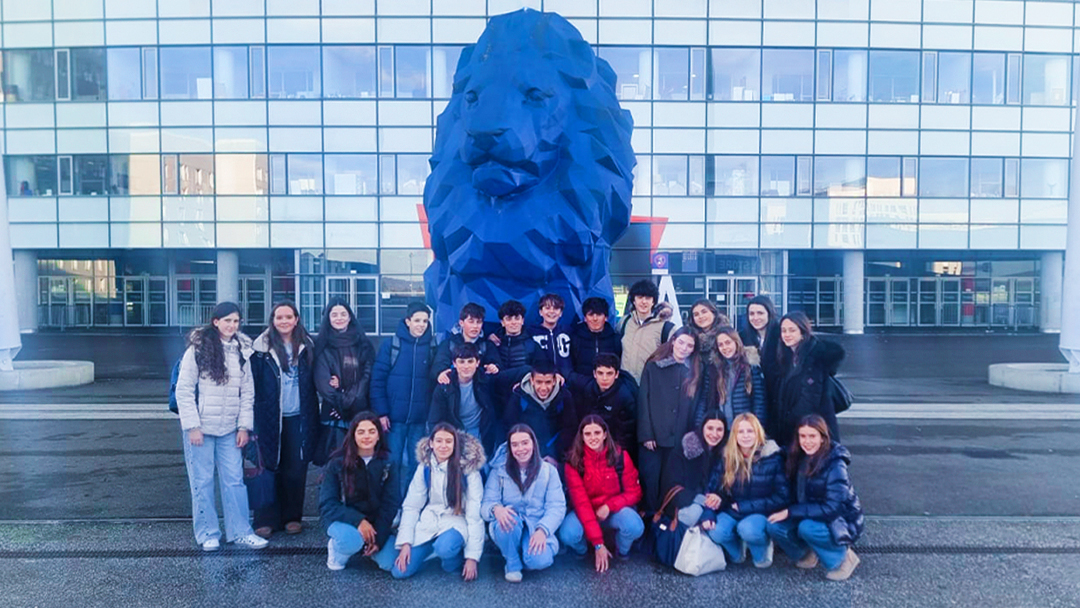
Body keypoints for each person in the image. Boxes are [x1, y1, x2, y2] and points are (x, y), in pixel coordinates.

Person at [175, 301, 268, 551]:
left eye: (236, 321)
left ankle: (240, 531)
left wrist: (243, 427)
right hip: (201, 429)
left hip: (230, 428)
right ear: (215, 322)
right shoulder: (197, 349)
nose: (232, 325)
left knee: (234, 481)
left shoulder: (243, 351)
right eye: (227, 320)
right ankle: (207, 533)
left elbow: (247, 393)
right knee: (202, 482)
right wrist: (192, 425)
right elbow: (184, 389)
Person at [250, 301, 321, 538]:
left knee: (296, 468)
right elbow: (252, 385)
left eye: (288, 317)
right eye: (279, 317)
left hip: (299, 416)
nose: (284, 321)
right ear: (272, 320)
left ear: (296, 319)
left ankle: (292, 516)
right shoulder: (259, 349)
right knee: (268, 466)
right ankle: (265, 518)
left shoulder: (308, 347)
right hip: (269, 416)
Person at [766, 414, 864, 581]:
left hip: (838, 520)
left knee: (807, 527)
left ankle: (843, 558)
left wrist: (790, 512)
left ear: (823, 438)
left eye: (812, 436)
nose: (807, 441)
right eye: (803, 436)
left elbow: (833, 508)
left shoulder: (835, 464)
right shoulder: (798, 455)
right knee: (774, 526)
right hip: (808, 512)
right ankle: (809, 552)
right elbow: (778, 454)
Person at [391, 424, 486, 580]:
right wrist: (405, 543)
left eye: (448, 441)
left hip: (456, 522)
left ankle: (452, 560)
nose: (443, 446)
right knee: (399, 572)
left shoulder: (468, 470)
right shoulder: (425, 467)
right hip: (429, 521)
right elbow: (412, 506)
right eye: (439, 441)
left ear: (455, 444)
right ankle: (430, 550)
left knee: (445, 548)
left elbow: (474, 514)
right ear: (431, 443)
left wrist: (472, 557)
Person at [481, 424, 567, 582]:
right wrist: (496, 509)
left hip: (536, 523)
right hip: (509, 525)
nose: (520, 449)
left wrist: (543, 530)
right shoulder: (498, 471)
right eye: (514, 445)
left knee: (540, 560)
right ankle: (512, 563)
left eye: (525, 443)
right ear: (509, 448)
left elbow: (557, 506)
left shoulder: (549, 470)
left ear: (533, 444)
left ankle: (522, 551)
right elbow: (487, 502)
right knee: (507, 520)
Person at [558, 415, 644, 572]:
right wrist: (598, 543)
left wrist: (609, 506)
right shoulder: (574, 462)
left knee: (635, 525)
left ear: (605, 434)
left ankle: (621, 551)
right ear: (581, 437)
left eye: (597, 433)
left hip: (612, 512)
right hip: (586, 512)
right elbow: (581, 504)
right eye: (588, 434)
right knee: (568, 533)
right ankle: (584, 551)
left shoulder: (620, 457)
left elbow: (635, 493)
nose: (593, 438)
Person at [320, 412, 400, 571]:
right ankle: (338, 550)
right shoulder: (337, 463)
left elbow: (390, 504)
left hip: (375, 522)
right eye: (361, 432)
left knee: (390, 564)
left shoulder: (388, 463)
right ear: (353, 435)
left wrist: (379, 538)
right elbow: (327, 504)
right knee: (350, 541)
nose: (366, 436)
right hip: (343, 519)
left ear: (379, 435)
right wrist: (359, 521)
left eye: (372, 431)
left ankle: (369, 545)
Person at [707, 413, 789, 568]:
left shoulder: (772, 457)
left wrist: (746, 507)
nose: (745, 436)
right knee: (716, 531)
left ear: (757, 432)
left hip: (760, 512)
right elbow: (715, 488)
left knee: (748, 530)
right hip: (734, 509)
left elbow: (782, 497)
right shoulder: (727, 456)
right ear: (734, 435)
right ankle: (738, 553)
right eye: (740, 432)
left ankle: (762, 551)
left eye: (750, 431)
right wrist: (716, 500)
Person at [371, 302, 436, 496]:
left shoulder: (432, 347)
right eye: (417, 320)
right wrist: (381, 412)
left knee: (415, 465)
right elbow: (377, 380)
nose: (421, 324)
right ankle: (392, 507)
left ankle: (409, 506)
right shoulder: (392, 345)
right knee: (393, 463)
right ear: (408, 321)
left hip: (419, 419)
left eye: (425, 320)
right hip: (394, 420)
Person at [636, 326, 702, 513]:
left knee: (671, 480)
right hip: (653, 437)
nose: (684, 348)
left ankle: (665, 520)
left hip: (680, 436)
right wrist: (646, 434)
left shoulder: (695, 371)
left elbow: (696, 404)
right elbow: (643, 400)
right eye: (681, 342)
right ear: (673, 341)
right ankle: (649, 518)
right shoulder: (654, 366)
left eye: (689, 345)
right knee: (650, 480)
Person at [313, 298, 377, 457]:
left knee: (361, 461)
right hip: (334, 414)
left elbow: (367, 376)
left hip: (360, 411)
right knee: (336, 462)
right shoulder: (321, 345)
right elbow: (323, 383)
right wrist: (342, 406)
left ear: (350, 317)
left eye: (343, 314)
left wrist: (348, 403)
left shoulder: (364, 344)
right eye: (334, 314)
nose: (339, 318)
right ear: (328, 318)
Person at [774, 311, 844, 448]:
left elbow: (810, 400)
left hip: (814, 428)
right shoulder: (787, 357)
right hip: (800, 427)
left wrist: (788, 422)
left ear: (803, 332)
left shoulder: (814, 358)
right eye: (783, 331)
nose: (787, 335)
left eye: (792, 330)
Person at [659, 410, 727, 528]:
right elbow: (671, 485)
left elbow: (731, 486)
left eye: (719, 430)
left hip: (715, 504)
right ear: (702, 428)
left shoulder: (727, 453)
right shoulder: (685, 450)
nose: (714, 434)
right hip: (687, 504)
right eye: (710, 428)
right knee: (693, 514)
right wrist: (700, 499)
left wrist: (719, 497)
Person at [428, 343, 499, 454]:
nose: (466, 366)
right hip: (454, 432)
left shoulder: (486, 381)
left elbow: (514, 375)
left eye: (470, 361)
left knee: (480, 468)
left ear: (477, 363)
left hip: (480, 433)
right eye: (461, 362)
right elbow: (435, 419)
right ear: (454, 364)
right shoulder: (445, 385)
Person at [503, 361, 578, 464]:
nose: (543, 388)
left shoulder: (564, 396)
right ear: (532, 380)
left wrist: (554, 455)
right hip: (526, 453)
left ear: (554, 381)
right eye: (539, 382)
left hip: (555, 454)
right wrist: (529, 453)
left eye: (548, 382)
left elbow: (569, 428)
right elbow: (510, 426)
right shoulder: (519, 396)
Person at [575, 353, 637, 451]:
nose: (604, 378)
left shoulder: (625, 397)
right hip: (591, 442)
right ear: (594, 374)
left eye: (609, 373)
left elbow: (626, 435)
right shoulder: (588, 389)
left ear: (616, 374)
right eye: (600, 373)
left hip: (614, 448)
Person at [709, 327, 767, 431]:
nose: (725, 347)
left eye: (728, 342)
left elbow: (759, 401)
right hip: (724, 427)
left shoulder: (751, 366)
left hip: (745, 428)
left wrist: (757, 428)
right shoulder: (716, 368)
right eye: (720, 345)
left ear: (736, 342)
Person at [739, 295, 782, 436]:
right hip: (755, 399)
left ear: (769, 313)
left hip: (779, 397)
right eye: (751, 313)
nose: (755, 317)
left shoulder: (781, 335)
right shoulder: (743, 337)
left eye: (760, 313)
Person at [487, 300, 538, 416]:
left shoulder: (532, 344)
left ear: (522, 321)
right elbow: (495, 377)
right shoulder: (492, 343)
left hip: (524, 398)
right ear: (502, 322)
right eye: (509, 319)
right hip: (498, 400)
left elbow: (539, 372)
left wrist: (522, 384)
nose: (513, 322)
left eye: (517, 318)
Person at [617, 279, 675, 383]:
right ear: (634, 301)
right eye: (639, 297)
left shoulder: (666, 328)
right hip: (625, 385)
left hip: (652, 385)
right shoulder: (624, 322)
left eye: (648, 298)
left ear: (653, 301)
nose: (644, 301)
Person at [433, 302, 500, 383]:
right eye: (471, 321)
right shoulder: (448, 344)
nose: (475, 326)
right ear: (461, 323)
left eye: (478, 322)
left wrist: (494, 367)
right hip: (454, 391)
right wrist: (440, 373)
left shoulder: (487, 345)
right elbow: (438, 365)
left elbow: (497, 365)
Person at [568, 296, 622, 390]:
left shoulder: (615, 339)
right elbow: (570, 366)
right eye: (591, 315)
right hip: (581, 390)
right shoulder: (575, 338)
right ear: (585, 318)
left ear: (606, 318)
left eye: (599, 314)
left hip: (608, 391)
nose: (595, 318)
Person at [528, 293, 572, 380]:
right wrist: (497, 334)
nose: (551, 311)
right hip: (543, 381)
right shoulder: (531, 332)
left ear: (561, 313)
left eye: (556, 308)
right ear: (540, 312)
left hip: (568, 379)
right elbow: (513, 333)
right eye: (547, 308)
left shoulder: (569, 331)